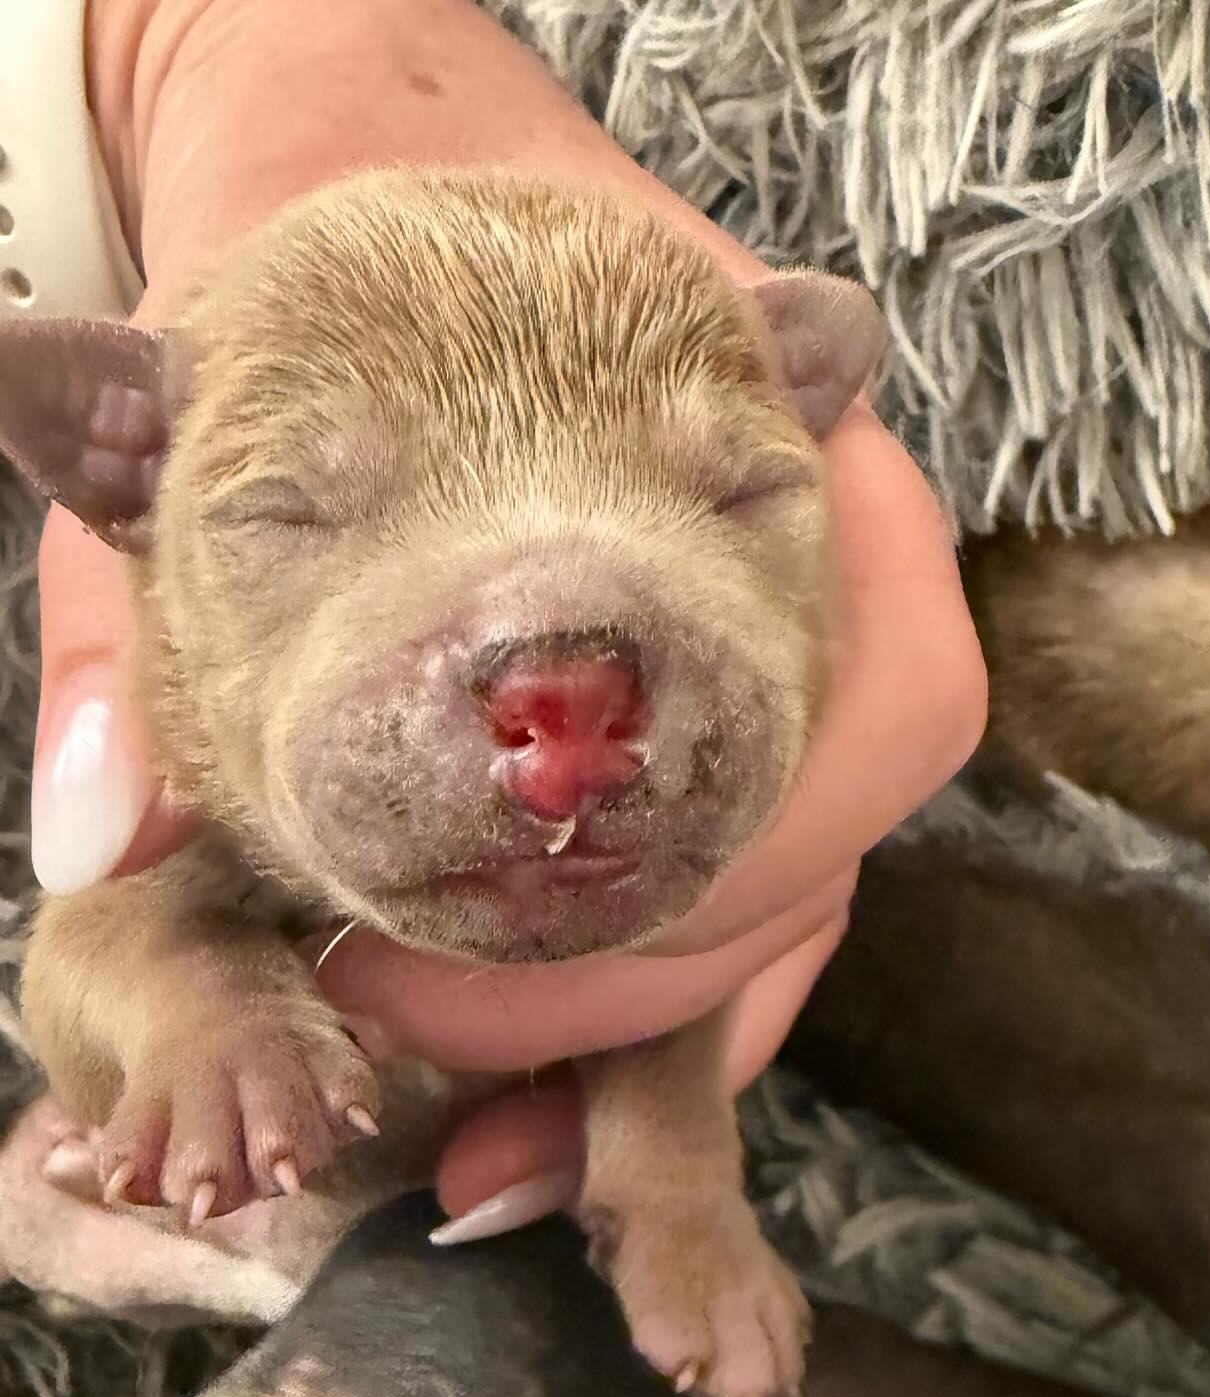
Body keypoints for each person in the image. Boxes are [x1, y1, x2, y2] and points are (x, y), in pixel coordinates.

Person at [22, 0, 986, 1239]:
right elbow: (89, 957)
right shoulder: (212, 793)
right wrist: (202, 1018)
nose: (567, 717)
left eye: (738, 489)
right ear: (118, 459)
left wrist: (676, 1166)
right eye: (289, 513)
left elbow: (690, 993)